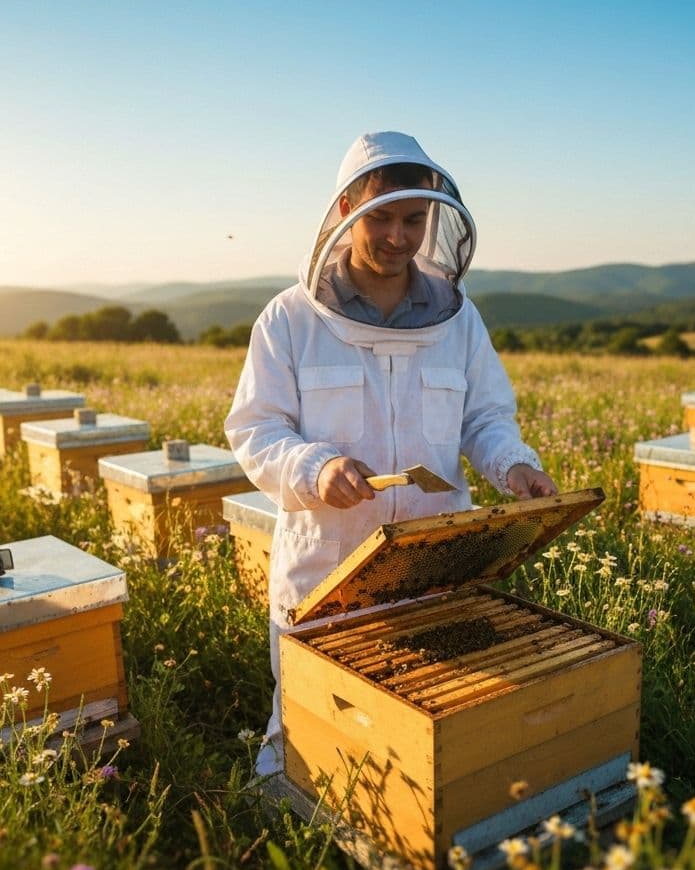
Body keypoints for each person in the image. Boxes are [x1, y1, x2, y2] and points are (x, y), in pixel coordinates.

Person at [225, 130, 557, 775]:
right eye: (380, 217)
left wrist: (511, 463)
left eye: (414, 219)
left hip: (435, 561)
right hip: (328, 565)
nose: (398, 237)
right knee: (311, 723)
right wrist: (315, 468)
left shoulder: (458, 320)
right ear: (348, 206)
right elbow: (257, 429)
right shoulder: (289, 319)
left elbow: (484, 416)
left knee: (426, 733)